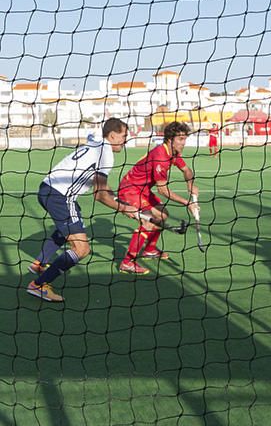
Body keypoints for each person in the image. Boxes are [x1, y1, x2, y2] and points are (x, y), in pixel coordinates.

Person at [26, 118, 139, 302]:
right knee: (82, 248)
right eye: (124, 136)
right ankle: (39, 285)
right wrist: (125, 208)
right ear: (112, 135)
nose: (126, 140)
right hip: (60, 197)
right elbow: (100, 195)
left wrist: (113, 194)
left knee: (74, 222)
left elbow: (99, 182)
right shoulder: (106, 153)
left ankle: (40, 263)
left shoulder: (96, 142)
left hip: (46, 188)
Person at [117, 121, 198, 275]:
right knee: (148, 222)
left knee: (163, 215)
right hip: (130, 189)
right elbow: (163, 190)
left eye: (185, 139)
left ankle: (150, 250)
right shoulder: (161, 156)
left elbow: (186, 170)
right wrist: (187, 203)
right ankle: (127, 263)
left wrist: (190, 185)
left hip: (142, 190)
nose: (184, 143)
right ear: (170, 139)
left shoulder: (172, 153)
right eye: (180, 139)